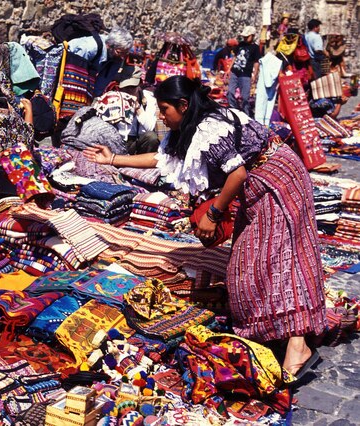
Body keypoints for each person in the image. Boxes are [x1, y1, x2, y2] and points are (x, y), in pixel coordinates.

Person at [83, 76, 326, 379]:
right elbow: (162, 159)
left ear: (183, 106)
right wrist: (115, 159)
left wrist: (213, 213)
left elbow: (236, 173)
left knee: (276, 258)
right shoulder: (188, 129)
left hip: (278, 181)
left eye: (164, 108)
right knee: (247, 264)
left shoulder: (211, 128)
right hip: (257, 188)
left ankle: (297, 344)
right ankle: (277, 331)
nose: (160, 115)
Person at [67, 27, 133, 95]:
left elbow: (101, 84)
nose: (122, 57)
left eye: (125, 53)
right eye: (119, 52)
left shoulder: (117, 58)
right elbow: (74, 73)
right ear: (109, 45)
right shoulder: (91, 48)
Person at [228, 25, 261, 115]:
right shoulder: (241, 44)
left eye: (247, 37)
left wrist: (255, 74)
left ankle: (245, 114)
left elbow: (256, 62)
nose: (245, 38)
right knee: (230, 92)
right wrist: (229, 69)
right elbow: (235, 57)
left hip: (245, 75)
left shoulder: (255, 48)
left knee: (245, 97)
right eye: (244, 37)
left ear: (253, 36)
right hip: (235, 72)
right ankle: (233, 111)